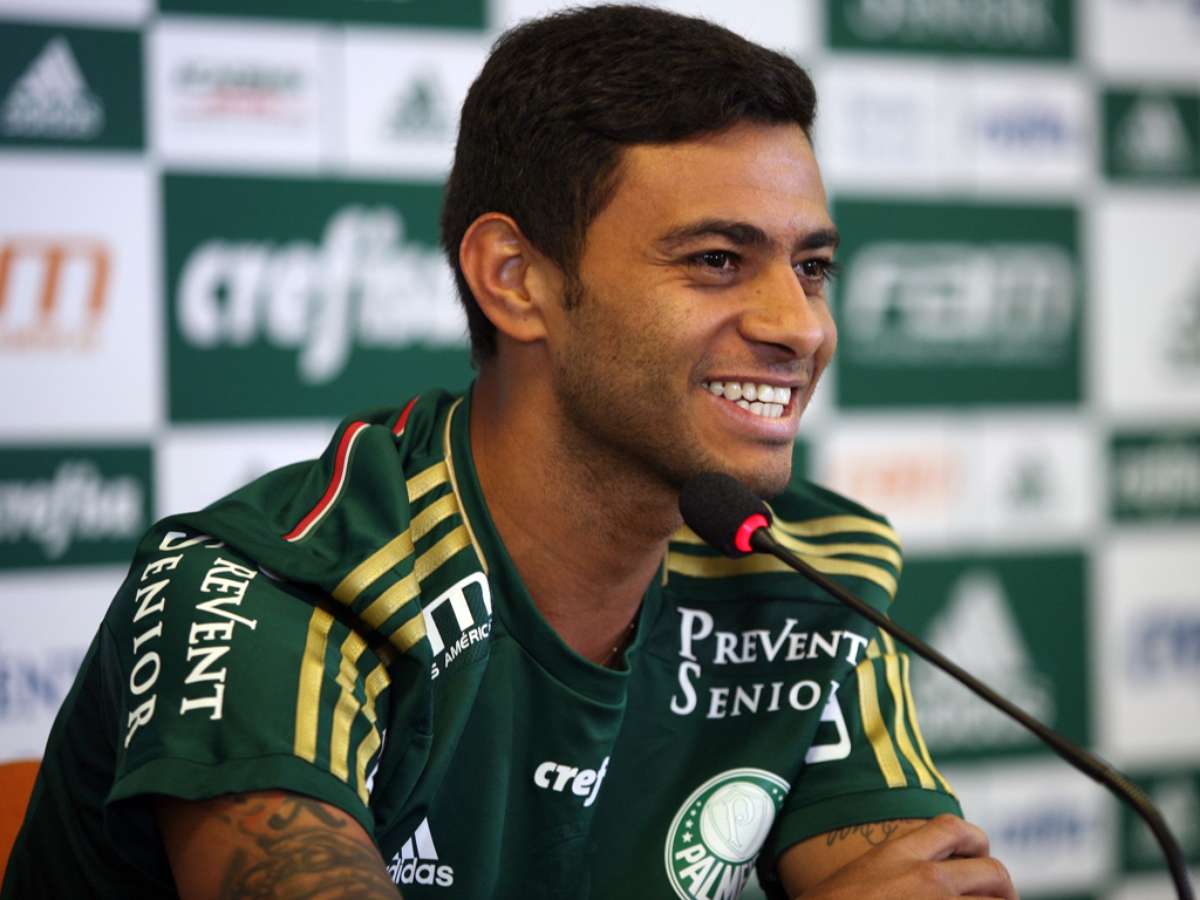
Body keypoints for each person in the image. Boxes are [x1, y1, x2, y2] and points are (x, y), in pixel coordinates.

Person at [2, 6, 1016, 899]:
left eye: (812, 267)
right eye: (717, 260)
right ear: (514, 278)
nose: (800, 326)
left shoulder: (810, 566)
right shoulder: (276, 593)